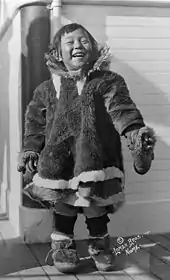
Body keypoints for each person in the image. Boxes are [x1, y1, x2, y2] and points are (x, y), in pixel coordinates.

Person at [18, 23, 156, 273]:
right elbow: (35, 122)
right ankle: (62, 245)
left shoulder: (108, 81)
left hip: (94, 156)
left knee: (93, 201)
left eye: (83, 41)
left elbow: (121, 109)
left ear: (93, 48)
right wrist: (30, 149)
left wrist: (133, 130)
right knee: (64, 202)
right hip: (58, 157)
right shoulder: (47, 88)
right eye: (70, 42)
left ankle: (100, 243)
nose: (77, 46)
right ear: (58, 53)